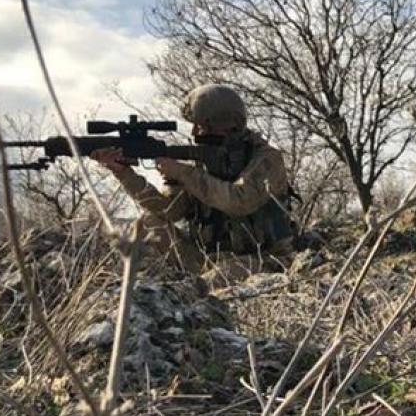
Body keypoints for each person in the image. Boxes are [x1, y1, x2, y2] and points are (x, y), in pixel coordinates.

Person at [91, 84, 295, 287]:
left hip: (266, 261)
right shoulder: (202, 164)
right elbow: (170, 211)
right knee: (150, 222)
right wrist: (124, 173)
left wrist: (182, 172)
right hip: (209, 260)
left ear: (226, 124)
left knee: (211, 282)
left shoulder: (266, 159)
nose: (195, 132)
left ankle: (190, 292)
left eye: (202, 126)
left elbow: (239, 200)